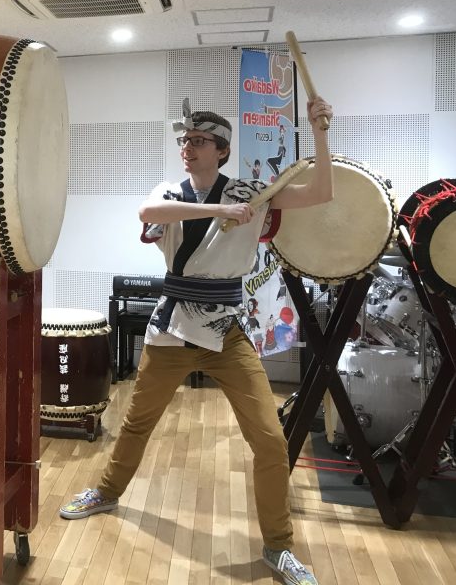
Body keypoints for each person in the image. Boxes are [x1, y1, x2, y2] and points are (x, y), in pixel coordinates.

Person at [59, 96, 334, 585]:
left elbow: (320, 192)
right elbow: (147, 211)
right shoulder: (170, 191)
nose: (188, 147)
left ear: (221, 150)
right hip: (171, 329)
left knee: (270, 440)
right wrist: (221, 208)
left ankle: (278, 547)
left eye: (200, 141)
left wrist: (319, 132)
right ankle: (106, 492)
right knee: (137, 423)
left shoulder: (251, 193)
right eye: (185, 140)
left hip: (227, 332)